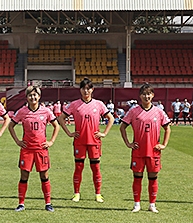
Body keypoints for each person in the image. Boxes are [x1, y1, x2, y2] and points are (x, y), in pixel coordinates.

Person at [57, 78, 114, 202]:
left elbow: (111, 118)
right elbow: (61, 119)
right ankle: (76, 193)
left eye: (88, 88)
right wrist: (69, 133)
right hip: (80, 141)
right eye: (83, 88)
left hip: (94, 142)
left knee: (96, 168)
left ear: (92, 90)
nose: (86, 91)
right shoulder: (74, 104)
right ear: (80, 90)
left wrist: (104, 133)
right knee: (78, 168)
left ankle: (98, 194)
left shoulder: (99, 104)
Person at [119, 83, 171, 213]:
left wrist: (164, 144)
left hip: (154, 151)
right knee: (137, 177)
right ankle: (137, 204)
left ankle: (152, 204)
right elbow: (122, 127)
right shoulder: (133, 111)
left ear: (152, 95)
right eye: (144, 94)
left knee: (153, 178)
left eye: (149, 94)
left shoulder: (159, 112)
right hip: (138, 151)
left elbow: (167, 128)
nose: (146, 96)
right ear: (139, 96)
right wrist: (128, 143)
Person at [8, 86, 60, 212]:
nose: (33, 97)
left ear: (39, 97)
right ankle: (21, 204)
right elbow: (11, 126)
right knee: (24, 176)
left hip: (41, 149)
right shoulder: (22, 111)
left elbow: (56, 126)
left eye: (35, 95)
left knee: (44, 176)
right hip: (27, 150)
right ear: (27, 97)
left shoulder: (46, 111)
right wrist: (17, 141)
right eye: (30, 95)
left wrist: (51, 141)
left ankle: (48, 203)